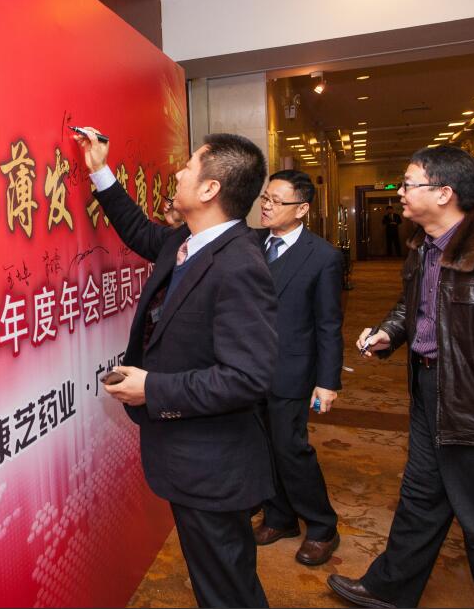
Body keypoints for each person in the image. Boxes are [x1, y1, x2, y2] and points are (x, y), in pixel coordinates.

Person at [328, 146, 474, 609]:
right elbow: (413, 307)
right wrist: (389, 333)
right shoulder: (424, 247)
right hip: (429, 391)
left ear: (443, 193)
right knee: (421, 496)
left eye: (408, 183)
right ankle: (390, 588)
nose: (400, 192)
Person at [74, 129, 277, 608]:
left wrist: (154, 388)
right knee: (221, 581)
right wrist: (99, 170)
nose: (178, 174)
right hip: (193, 462)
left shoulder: (239, 264)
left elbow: (248, 377)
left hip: (214, 467)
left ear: (210, 188)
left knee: (226, 589)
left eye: (188, 168)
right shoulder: (189, 241)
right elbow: (139, 232)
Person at [253, 170, 343, 566]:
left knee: (291, 450)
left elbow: (329, 324)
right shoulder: (251, 244)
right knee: (261, 447)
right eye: (265, 198)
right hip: (248, 370)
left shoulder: (322, 256)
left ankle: (322, 526)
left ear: (302, 209)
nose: (266, 206)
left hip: (291, 371)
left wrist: (327, 381)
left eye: (277, 201)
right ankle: (279, 517)